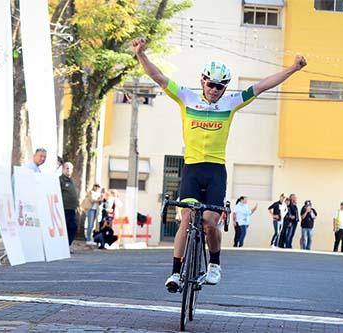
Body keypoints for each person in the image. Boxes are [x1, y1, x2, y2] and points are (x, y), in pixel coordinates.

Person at [131, 37, 307, 291]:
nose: (214, 90)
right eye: (211, 84)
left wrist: (293, 68)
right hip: (191, 168)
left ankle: (214, 264)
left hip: (215, 170)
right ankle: (176, 274)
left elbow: (262, 86)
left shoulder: (230, 103)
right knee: (187, 219)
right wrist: (141, 55)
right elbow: (158, 76)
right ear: (203, 80)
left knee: (210, 222)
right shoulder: (186, 98)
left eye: (220, 87)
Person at [60, 162, 79, 247]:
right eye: (67, 168)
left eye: (70, 169)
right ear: (63, 169)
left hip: (72, 209)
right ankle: (64, 246)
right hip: (64, 209)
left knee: (73, 227)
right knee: (65, 228)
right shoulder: (60, 180)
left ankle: (68, 244)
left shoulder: (71, 180)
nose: (69, 170)